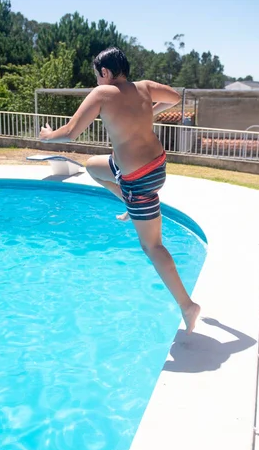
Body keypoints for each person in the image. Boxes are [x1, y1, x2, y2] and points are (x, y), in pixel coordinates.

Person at [39, 47, 200, 333]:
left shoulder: (102, 94)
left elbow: (71, 132)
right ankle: (128, 204)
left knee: (152, 246)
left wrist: (47, 135)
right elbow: (175, 98)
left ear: (105, 72)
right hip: (156, 166)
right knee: (93, 166)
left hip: (139, 180)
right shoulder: (145, 88)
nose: (98, 81)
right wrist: (150, 110)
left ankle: (187, 305)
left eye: (98, 76)